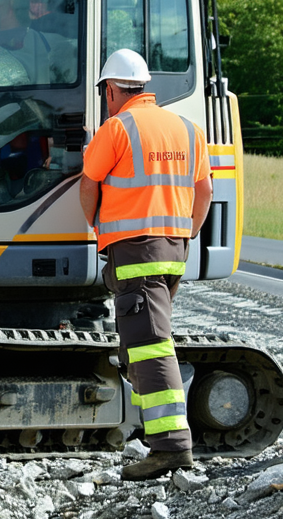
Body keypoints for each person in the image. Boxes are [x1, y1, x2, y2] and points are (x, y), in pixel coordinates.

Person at [79, 48, 212, 481]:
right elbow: (204, 192)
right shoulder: (188, 129)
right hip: (173, 252)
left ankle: (171, 446)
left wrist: (100, 227)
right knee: (144, 342)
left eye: (105, 93)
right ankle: (159, 436)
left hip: (135, 254)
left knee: (152, 345)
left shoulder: (117, 128)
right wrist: (185, 235)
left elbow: (89, 184)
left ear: (113, 89)